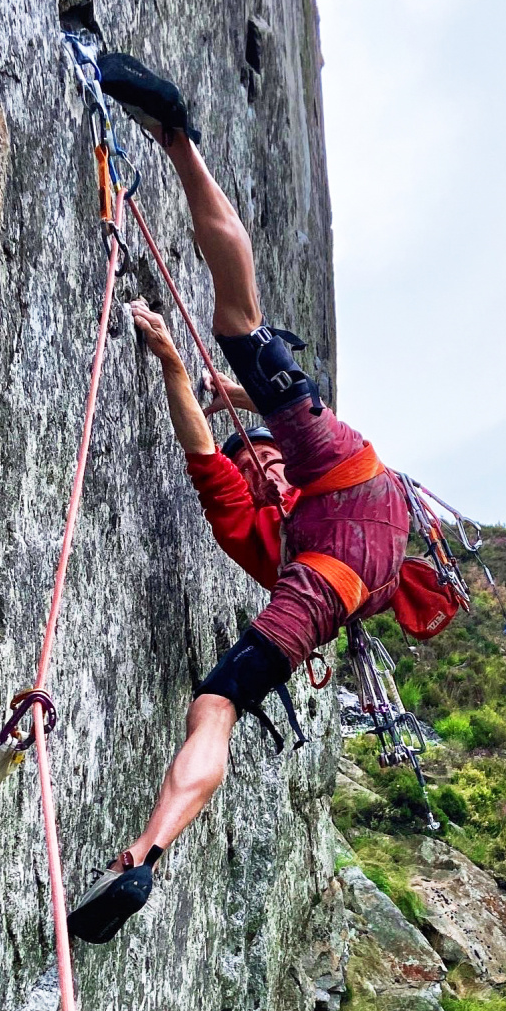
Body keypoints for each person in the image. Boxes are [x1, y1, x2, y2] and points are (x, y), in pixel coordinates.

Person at [67, 56, 411, 944]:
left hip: (349, 510)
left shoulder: (267, 506)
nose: (251, 461)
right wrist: (205, 383)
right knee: (216, 703)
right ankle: (142, 855)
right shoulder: (271, 529)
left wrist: (195, 378)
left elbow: (215, 438)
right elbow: (225, 438)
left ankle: (176, 135)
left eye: (253, 451)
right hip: (358, 545)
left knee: (240, 325)